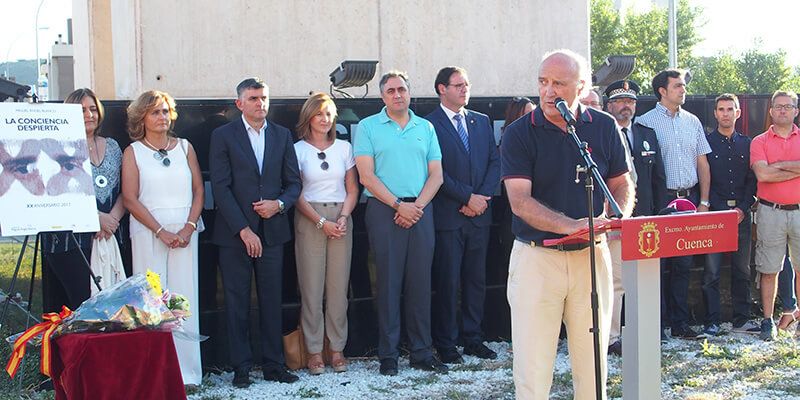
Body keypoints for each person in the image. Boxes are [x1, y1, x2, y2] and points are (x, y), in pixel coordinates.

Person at [501, 49, 634, 399]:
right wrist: (571, 226)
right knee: (533, 367)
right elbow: (520, 202)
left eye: (558, 83)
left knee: (593, 365)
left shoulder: (603, 126)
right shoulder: (519, 133)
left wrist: (617, 214)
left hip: (592, 258)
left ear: (582, 86)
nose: (548, 91)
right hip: (537, 260)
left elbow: (621, 183)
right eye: (543, 82)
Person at [209, 77, 301, 387]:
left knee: (272, 301)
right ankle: (242, 369)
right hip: (235, 235)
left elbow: (294, 184)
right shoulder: (223, 136)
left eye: (263, 98)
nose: (260, 103)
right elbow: (220, 188)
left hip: (273, 232)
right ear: (239, 104)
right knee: (237, 302)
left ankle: (274, 365)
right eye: (253, 98)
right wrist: (244, 230)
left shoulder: (282, 135)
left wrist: (280, 204)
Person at [353, 70, 445, 376]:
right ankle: (388, 355)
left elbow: (437, 174)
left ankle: (421, 351)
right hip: (384, 210)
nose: (397, 94)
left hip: (420, 209)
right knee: (389, 284)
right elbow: (366, 175)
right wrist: (397, 205)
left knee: (420, 284)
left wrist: (415, 207)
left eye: (402, 89)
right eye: (391, 90)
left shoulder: (426, 127)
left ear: (409, 93)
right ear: (382, 96)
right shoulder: (367, 127)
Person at [121, 90, 204, 385]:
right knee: (152, 302)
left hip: (185, 233)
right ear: (141, 117)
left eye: (166, 111)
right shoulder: (133, 152)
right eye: (155, 112)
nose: (162, 117)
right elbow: (129, 198)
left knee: (183, 299)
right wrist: (161, 231)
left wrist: (188, 227)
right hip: (149, 233)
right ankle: (157, 375)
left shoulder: (185, 147)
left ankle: (188, 373)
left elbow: (198, 191)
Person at [424, 66, 501, 363]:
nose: (464, 89)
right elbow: (436, 171)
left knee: (475, 280)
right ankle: (446, 343)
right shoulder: (429, 125)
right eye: (458, 85)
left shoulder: (481, 121)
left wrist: (480, 199)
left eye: (466, 84)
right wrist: (466, 197)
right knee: (446, 281)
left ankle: (473, 338)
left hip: (479, 215)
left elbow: (495, 162)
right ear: (441, 89)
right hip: (449, 216)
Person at [636, 68, 712, 340]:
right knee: (655, 264)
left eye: (683, 86)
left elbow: (702, 161)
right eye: (677, 86)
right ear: (662, 91)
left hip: (688, 199)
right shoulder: (644, 123)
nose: (683, 90)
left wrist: (703, 202)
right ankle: (656, 326)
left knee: (683, 264)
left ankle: (680, 323)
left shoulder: (693, 121)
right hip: (661, 201)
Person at [41, 88, 126, 312]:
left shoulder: (114, 146)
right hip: (70, 243)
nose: (89, 115)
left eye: (92, 109)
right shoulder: (55, 148)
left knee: (113, 311)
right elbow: (53, 193)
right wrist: (95, 219)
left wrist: (112, 220)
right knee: (84, 309)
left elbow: (125, 190)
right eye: (81, 110)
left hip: (109, 237)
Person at [293, 93, 358, 374]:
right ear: (309, 117)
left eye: (329, 114)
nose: (325, 119)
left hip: (341, 217)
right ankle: (314, 351)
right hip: (310, 218)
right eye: (319, 113)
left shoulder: (344, 148)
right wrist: (321, 222)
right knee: (311, 288)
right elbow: (294, 192)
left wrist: (343, 217)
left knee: (337, 289)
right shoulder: (297, 150)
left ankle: (337, 349)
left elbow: (353, 188)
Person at [602, 79, 667, 354]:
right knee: (616, 280)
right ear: (609, 105)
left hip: (644, 220)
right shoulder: (601, 134)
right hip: (615, 220)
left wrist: (660, 216)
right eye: (620, 101)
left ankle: (646, 329)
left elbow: (657, 180)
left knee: (645, 278)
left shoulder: (647, 134)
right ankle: (613, 336)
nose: (626, 106)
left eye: (630, 101)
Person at [701, 94, 759, 336]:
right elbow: (704, 181)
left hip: (740, 217)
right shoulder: (705, 143)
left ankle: (741, 320)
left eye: (730, 109)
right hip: (715, 216)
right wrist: (719, 210)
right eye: (721, 109)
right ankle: (712, 322)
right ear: (715, 113)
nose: (725, 113)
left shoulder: (748, 144)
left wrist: (742, 208)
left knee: (742, 270)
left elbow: (752, 181)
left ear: (738, 113)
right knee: (711, 272)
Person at [750, 90, 800, 341]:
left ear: (796, 111)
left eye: (788, 106)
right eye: (778, 106)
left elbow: (771, 171)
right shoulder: (759, 141)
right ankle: (767, 320)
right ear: (771, 111)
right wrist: (795, 168)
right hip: (771, 211)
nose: (782, 110)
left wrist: (778, 165)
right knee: (769, 269)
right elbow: (763, 175)